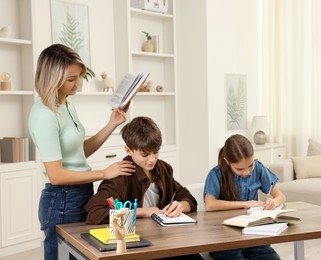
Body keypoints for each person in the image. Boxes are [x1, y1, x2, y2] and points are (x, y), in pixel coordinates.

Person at [28, 44, 135, 260]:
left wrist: (111, 124)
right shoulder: (44, 115)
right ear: (51, 78)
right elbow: (57, 176)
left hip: (80, 193)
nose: (78, 84)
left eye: (79, 77)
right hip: (62, 200)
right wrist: (104, 173)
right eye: (71, 79)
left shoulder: (67, 105)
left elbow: (79, 152)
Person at [85, 116, 203, 260]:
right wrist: (144, 212)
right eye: (145, 154)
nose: (152, 159)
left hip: (163, 241)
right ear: (128, 150)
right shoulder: (120, 175)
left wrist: (181, 206)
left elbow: (188, 198)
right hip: (135, 246)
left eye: (155, 152)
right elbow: (95, 214)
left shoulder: (163, 168)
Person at [204, 134, 285, 260]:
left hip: (252, 234)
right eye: (240, 169)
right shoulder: (216, 174)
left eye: (250, 165)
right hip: (223, 239)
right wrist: (245, 203)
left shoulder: (258, 168)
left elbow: (280, 196)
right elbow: (210, 204)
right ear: (227, 161)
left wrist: (273, 202)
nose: (247, 172)